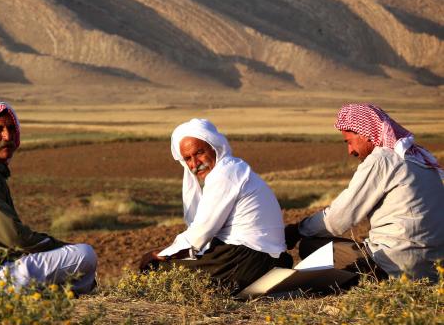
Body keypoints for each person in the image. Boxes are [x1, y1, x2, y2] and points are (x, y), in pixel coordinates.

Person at [0, 99, 98, 294]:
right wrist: (57, 247)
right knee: (84, 255)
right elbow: (13, 236)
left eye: (12, 128)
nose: (8, 136)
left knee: (70, 259)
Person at [285, 104, 444, 280]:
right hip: (434, 268)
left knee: (310, 246)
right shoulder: (418, 157)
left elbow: (338, 219)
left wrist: (298, 229)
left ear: (366, 134)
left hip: (399, 265)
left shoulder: (382, 159)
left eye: (349, 142)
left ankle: (368, 280)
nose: (350, 151)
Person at [138, 119, 290, 293]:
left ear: (214, 147)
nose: (195, 164)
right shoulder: (232, 168)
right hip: (261, 257)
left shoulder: (225, 174)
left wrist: (162, 254)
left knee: (155, 270)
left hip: (249, 259)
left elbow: (202, 232)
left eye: (199, 153)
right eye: (188, 158)